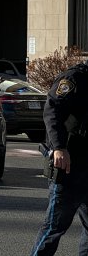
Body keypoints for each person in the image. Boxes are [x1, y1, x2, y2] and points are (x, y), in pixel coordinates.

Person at [31, 59, 88, 255]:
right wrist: (59, 148)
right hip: (70, 164)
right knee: (55, 227)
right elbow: (52, 110)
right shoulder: (75, 78)